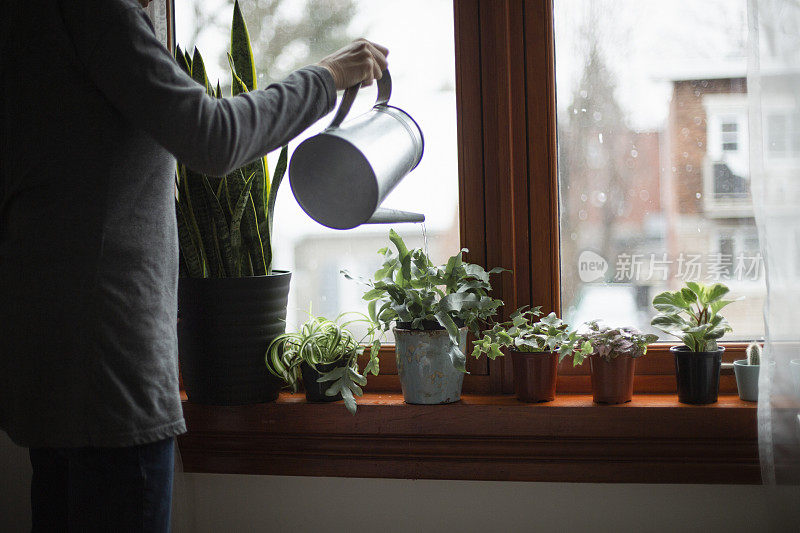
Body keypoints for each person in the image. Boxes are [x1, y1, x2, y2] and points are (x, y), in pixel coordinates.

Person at [0, 0, 388, 530]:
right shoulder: (98, 14)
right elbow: (214, 136)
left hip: (46, 365)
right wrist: (327, 77)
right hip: (110, 368)